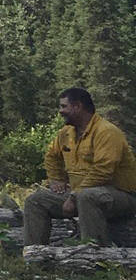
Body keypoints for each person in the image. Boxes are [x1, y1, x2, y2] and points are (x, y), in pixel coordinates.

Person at [23, 87, 136, 246]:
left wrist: (74, 195)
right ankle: (34, 256)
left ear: (77, 106)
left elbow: (103, 170)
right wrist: (56, 179)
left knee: (87, 197)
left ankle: (97, 259)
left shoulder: (107, 132)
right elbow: (51, 156)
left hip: (121, 196)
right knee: (36, 200)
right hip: (80, 194)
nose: (60, 111)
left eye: (64, 106)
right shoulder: (66, 133)